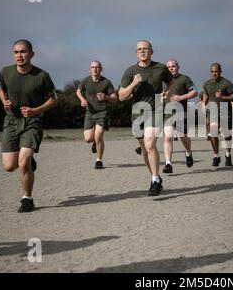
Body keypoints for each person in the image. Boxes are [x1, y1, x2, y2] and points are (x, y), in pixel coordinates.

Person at [0, 39, 57, 213]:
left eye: (23, 52)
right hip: (11, 121)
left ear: (31, 54)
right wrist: (4, 102)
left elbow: (53, 99)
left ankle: (27, 199)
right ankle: (29, 159)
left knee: (23, 164)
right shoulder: (5, 72)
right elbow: (1, 88)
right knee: (9, 166)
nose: (19, 55)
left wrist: (36, 110)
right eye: (16, 52)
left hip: (32, 121)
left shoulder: (42, 76)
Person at [119, 40, 172, 196]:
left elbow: (171, 82)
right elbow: (121, 96)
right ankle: (155, 177)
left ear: (152, 51)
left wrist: (167, 93)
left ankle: (155, 181)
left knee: (150, 144)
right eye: (139, 49)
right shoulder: (130, 71)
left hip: (156, 110)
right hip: (138, 112)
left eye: (145, 49)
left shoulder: (161, 68)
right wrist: (133, 84)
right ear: (136, 53)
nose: (142, 51)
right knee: (144, 149)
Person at [76, 61, 116, 169]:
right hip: (90, 112)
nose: (95, 69)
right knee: (88, 139)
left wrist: (106, 97)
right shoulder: (86, 81)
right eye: (93, 67)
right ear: (90, 69)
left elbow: (114, 97)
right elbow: (78, 91)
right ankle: (94, 142)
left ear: (101, 69)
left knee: (98, 136)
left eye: (97, 67)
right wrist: (82, 99)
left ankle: (99, 160)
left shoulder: (106, 82)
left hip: (103, 112)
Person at [161, 59, 198, 174]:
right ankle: (168, 163)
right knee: (168, 137)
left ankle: (188, 153)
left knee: (183, 137)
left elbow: (195, 92)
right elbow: (160, 95)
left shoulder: (184, 79)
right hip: (168, 114)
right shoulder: (163, 82)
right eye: (169, 67)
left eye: (173, 66)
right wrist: (161, 97)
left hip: (183, 112)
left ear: (178, 67)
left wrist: (180, 98)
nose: (171, 68)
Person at [202, 63, 233, 166]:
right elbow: (206, 94)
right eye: (212, 71)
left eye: (216, 71)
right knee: (213, 133)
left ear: (220, 71)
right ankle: (216, 156)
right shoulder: (206, 83)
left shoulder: (227, 83)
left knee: (227, 135)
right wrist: (204, 104)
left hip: (225, 111)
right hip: (212, 111)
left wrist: (223, 97)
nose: (214, 73)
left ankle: (228, 154)